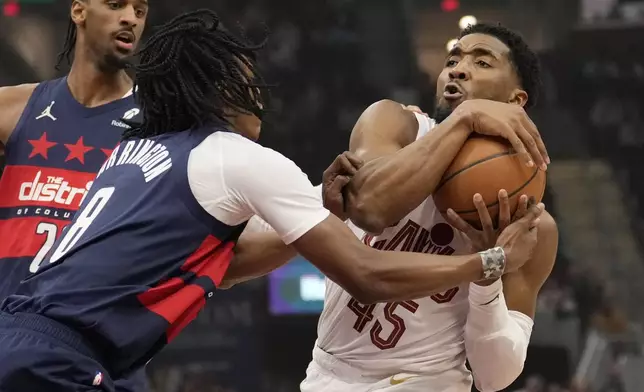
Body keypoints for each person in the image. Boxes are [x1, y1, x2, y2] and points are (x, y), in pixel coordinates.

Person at [0, 11, 543, 391]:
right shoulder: (247, 154)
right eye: (249, 81)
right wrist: (486, 262)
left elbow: (227, 265)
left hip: (30, 337)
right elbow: (365, 261)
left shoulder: (137, 150)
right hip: (64, 358)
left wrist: (324, 207)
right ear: (217, 90)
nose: (260, 94)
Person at [299, 23, 559, 392]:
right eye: (453, 59)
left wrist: (488, 280)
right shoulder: (394, 123)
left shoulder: (531, 222)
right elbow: (369, 208)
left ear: (516, 102)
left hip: (431, 381)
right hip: (331, 375)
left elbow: (495, 377)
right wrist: (464, 120)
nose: (457, 69)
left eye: (482, 63)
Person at [0, 0, 149, 391]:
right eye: (117, 4)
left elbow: (222, 243)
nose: (130, 17)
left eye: (140, 9)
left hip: (98, 355)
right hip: (10, 344)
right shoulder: (14, 108)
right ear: (79, 11)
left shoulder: (159, 127)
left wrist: (315, 211)